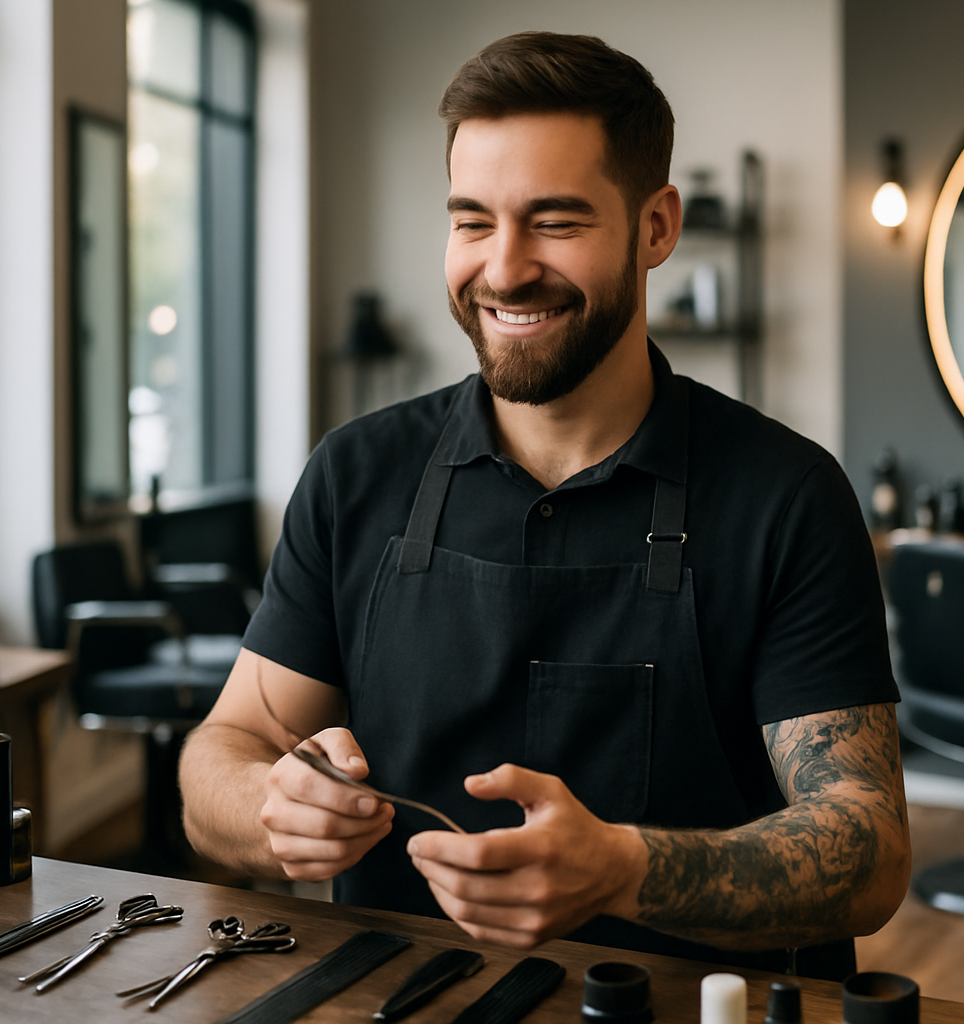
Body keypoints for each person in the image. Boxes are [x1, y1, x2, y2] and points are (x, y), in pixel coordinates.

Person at [179, 31, 909, 980]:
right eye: (473, 220)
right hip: (401, 1000)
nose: (504, 268)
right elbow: (222, 758)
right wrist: (272, 805)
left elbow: (868, 849)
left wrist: (625, 871)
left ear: (657, 227)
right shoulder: (354, 474)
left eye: (555, 222)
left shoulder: (787, 498)